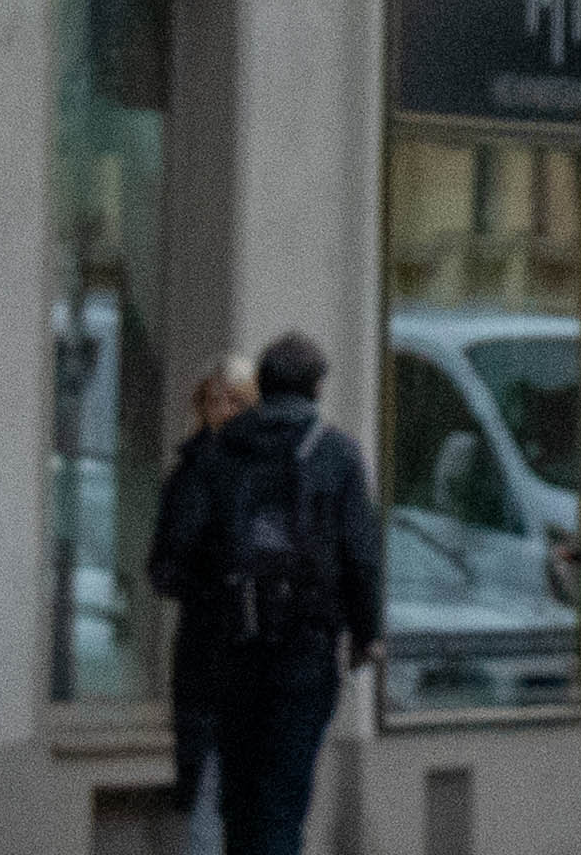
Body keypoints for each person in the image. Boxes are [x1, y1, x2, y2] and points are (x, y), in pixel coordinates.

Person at [151, 330, 381, 855]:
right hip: (305, 647)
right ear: (317, 389)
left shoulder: (219, 452)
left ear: (261, 385)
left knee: (238, 798)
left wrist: (216, 599)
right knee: (284, 796)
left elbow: (172, 558)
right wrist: (367, 635)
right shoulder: (336, 454)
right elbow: (361, 556)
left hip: (228, 650)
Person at [155, 357, 259, 846]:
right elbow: (166, 566)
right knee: (209, 782)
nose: (229, 411)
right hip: (210, 650)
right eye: (221, 400)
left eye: (240, 401)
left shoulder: (265, 473)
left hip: (250, 652)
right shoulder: (193, 474)